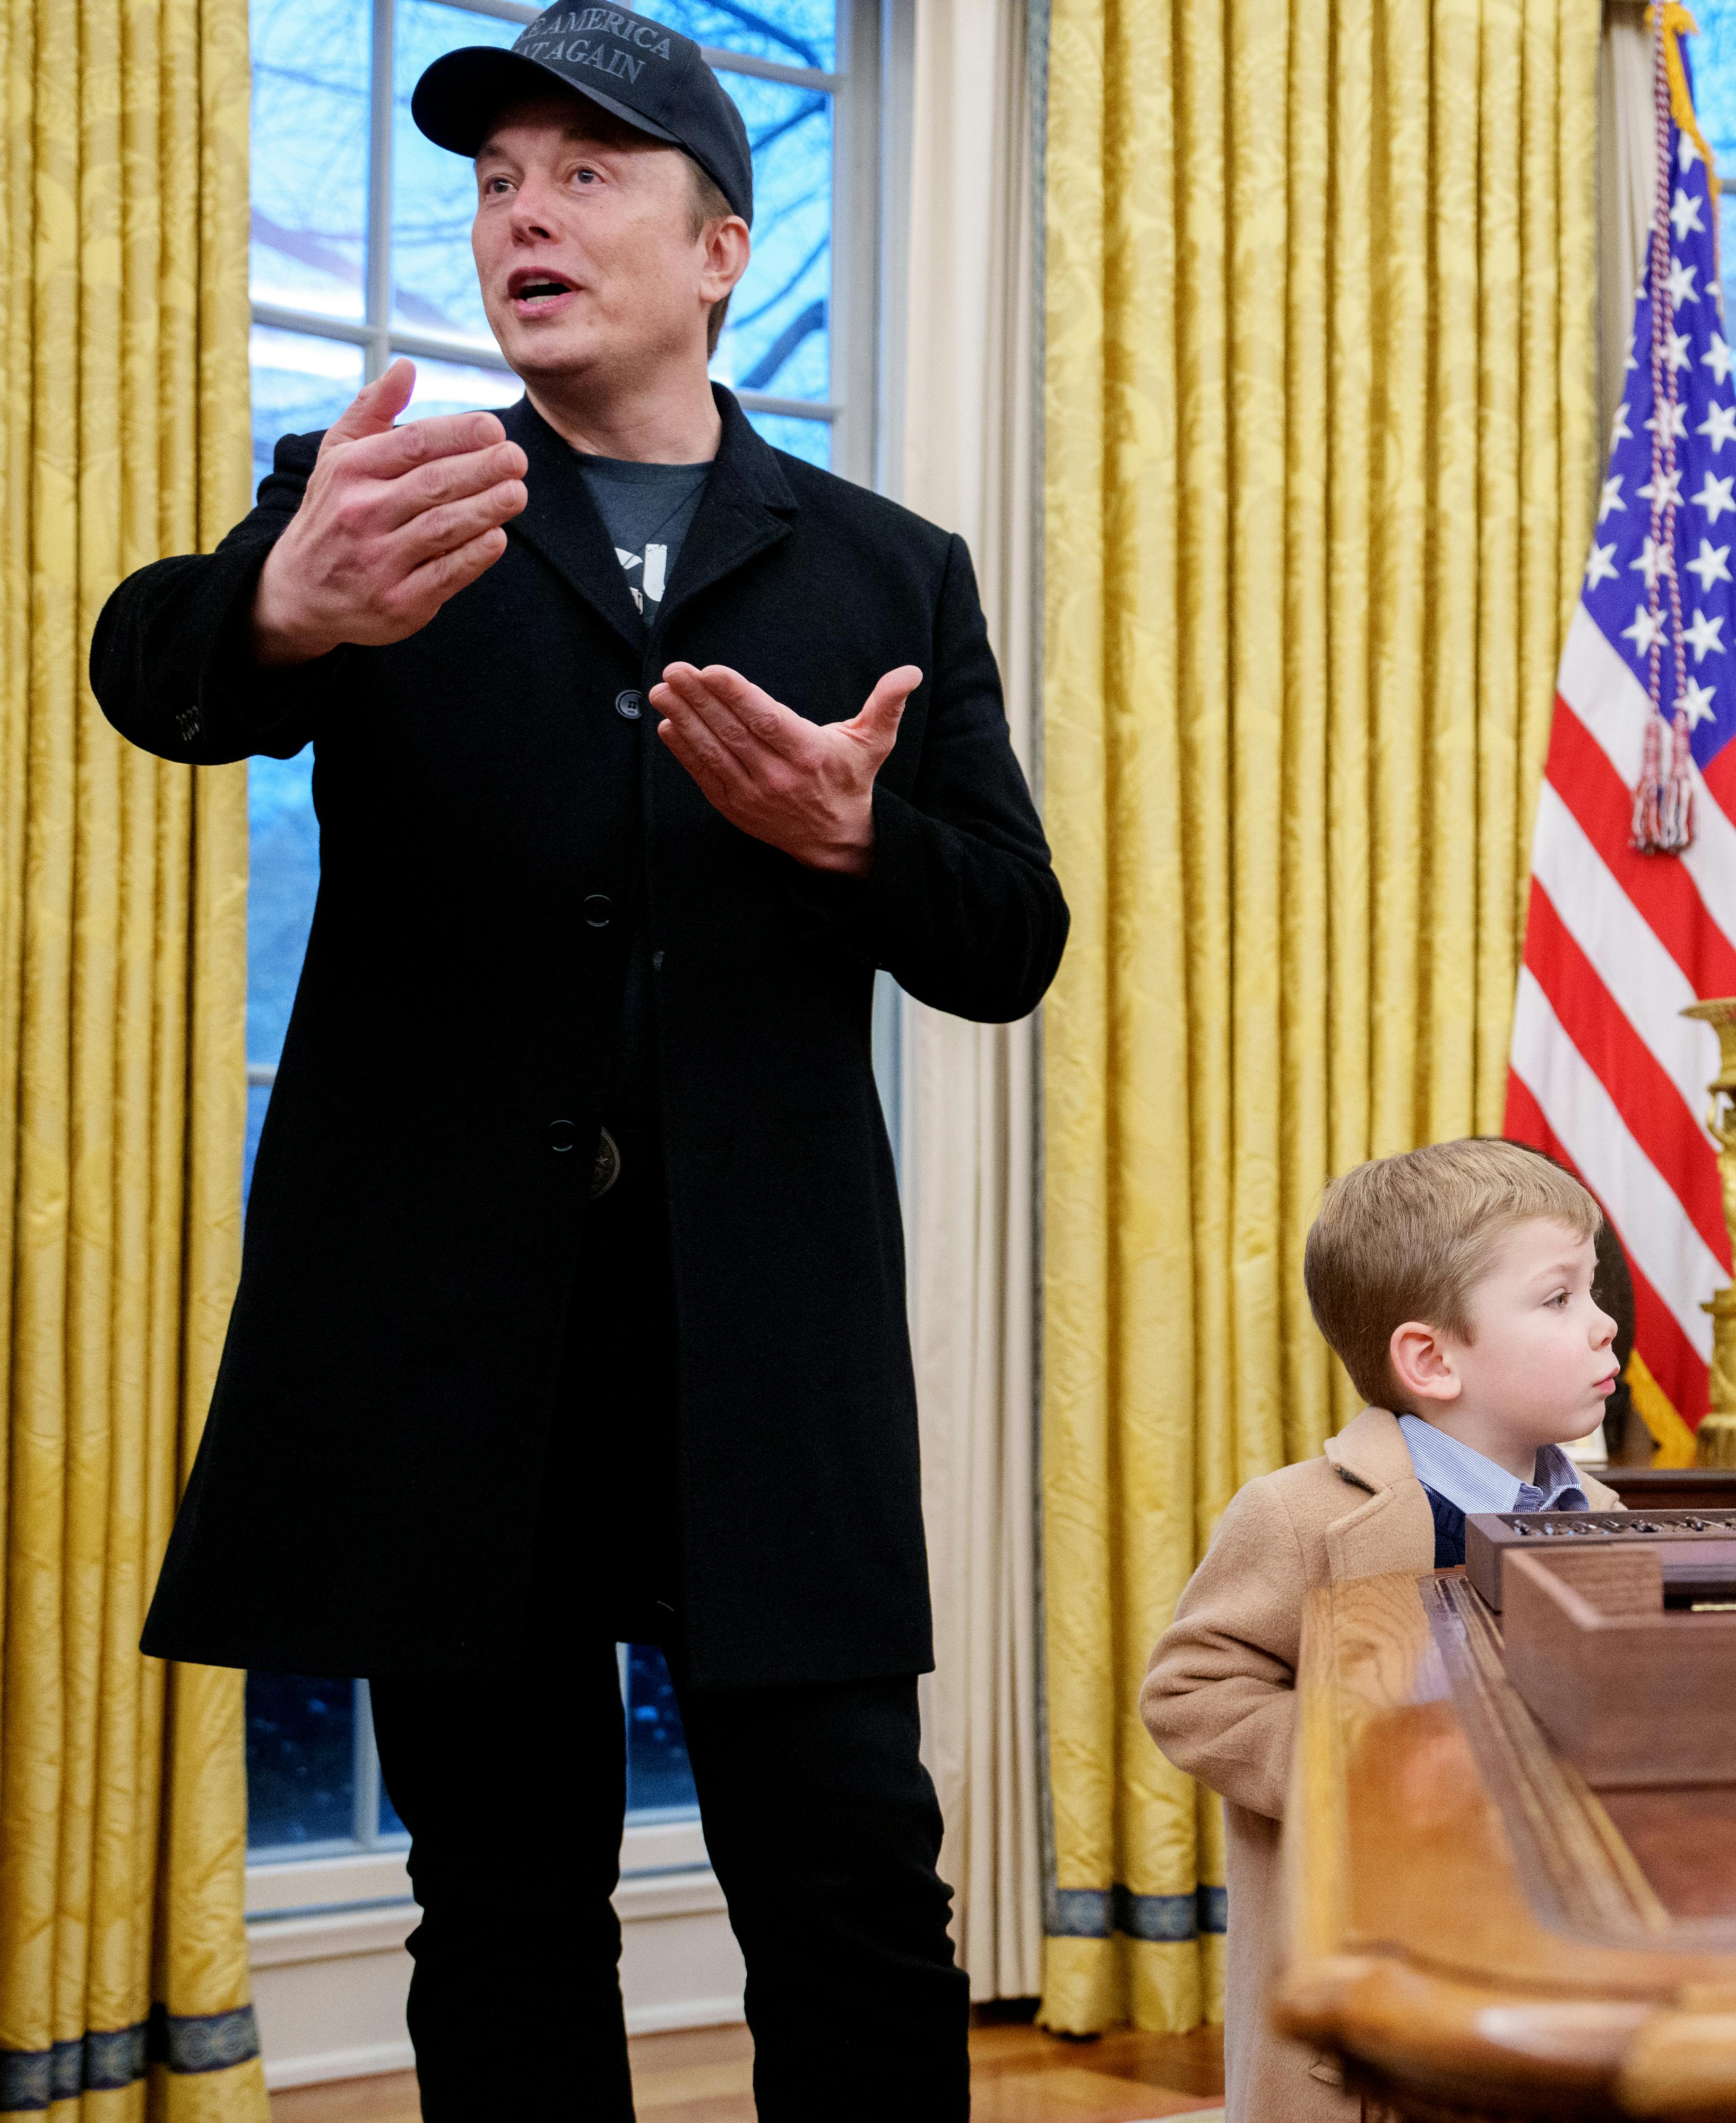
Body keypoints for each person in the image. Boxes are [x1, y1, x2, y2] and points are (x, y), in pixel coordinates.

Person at [89, 3, 1064, 2113]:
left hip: (761, 1348)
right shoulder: (378, 505)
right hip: (455, 1341)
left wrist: (848, 836)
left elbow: (1009, 940)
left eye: (587, 174)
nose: (525, 213)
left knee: (854, 1888)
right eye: (495, 182)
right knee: (503, 1903)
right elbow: (155, 672)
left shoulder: (892, 571)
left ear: (720, 248)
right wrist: (283, 608)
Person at [1141, 1141, 1626, 2122]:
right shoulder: (1302, 1516)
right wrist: (1360, 1764)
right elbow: (1191, 1692)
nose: (1604, 1322)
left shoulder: (1599, 1510)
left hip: (1550, 1933)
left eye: (1593, 1289)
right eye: (1558, 1298)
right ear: (1432, 1359)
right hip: (1378, 1942)